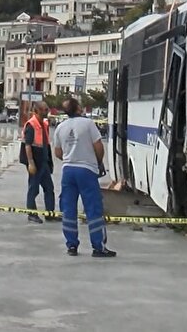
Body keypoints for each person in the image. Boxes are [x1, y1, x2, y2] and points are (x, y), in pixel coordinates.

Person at [52, 97, 115, 258]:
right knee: (93, 208)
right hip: (86, 170)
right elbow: (98, 147)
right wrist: (98, 162)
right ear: (79, 108)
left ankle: (71, 245)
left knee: (68, 208)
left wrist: (70, 158)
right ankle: (98, 247)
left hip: (68, 171)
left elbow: (58, 152)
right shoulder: (88, 124)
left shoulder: (60, 127)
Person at [21, 103, 55, 224]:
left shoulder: (44, 124)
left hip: (43, 161)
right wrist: (31, 163)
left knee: (49, 188)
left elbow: (45, 143)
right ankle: (32, 214)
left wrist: (49, 161)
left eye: (47, 109)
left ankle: (50, 213)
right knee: (33, 188)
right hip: (35, 161)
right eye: (44, 110)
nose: (46, 112)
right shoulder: (31, 125)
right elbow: (28, 145)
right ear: (37, 111)